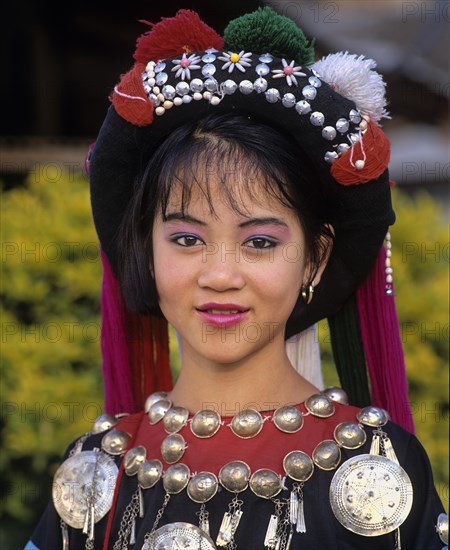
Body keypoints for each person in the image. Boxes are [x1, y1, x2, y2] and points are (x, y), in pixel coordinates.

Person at [26, 7, 447, 550]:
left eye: (260, 243)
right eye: (186, 239)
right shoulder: (94, 475)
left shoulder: (379, 466)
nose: (221, 274)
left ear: (315, 259)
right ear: (147, 251)